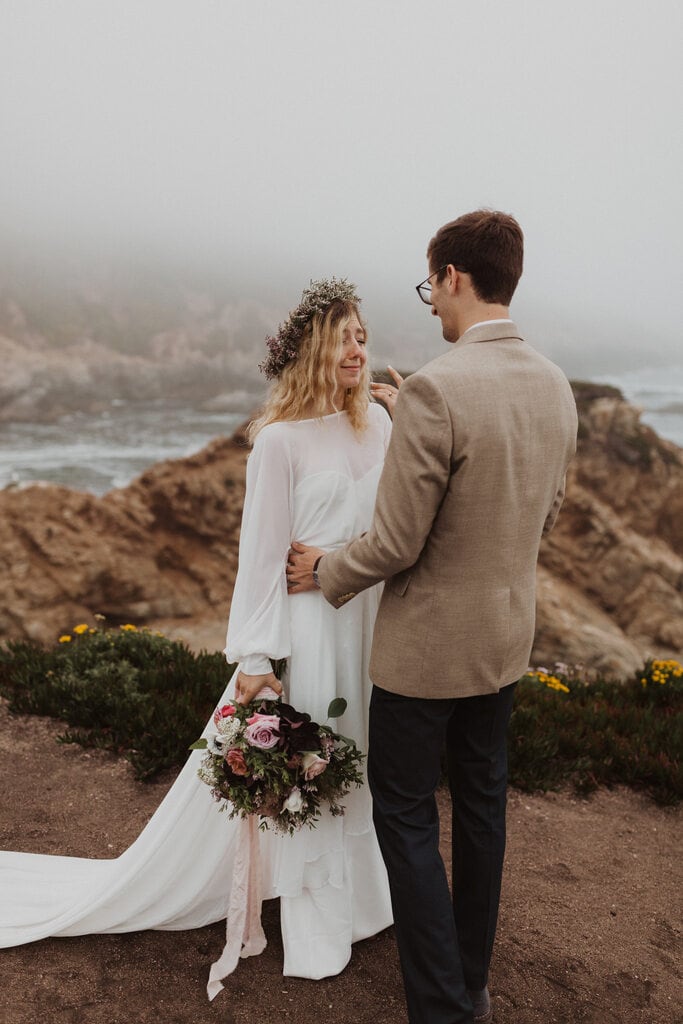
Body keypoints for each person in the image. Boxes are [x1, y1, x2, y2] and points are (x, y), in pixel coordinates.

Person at [0, 278, 395, 997]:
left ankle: (367, 901)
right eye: (343, 335)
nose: (357, 348)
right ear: (311, 348)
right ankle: (317, 922)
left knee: (364, 757)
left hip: (370, 621)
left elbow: (396, 532)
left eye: (363, 335)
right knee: (318, 764)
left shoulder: (379, 425)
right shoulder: (277, 442)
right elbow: (260, 556)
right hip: (311, 631)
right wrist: (253, 654)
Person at [287, 212, 579, 1024]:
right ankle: (472, 982)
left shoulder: (440, 391)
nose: (428, 305)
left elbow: (395, 542)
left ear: (452, 276)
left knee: (407, 813)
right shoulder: (553, 383)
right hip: (502, 643)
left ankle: (441, 1007)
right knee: (483, 807)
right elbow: (543, 512)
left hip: (421, 658)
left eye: (429, 286)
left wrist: (327, 570)